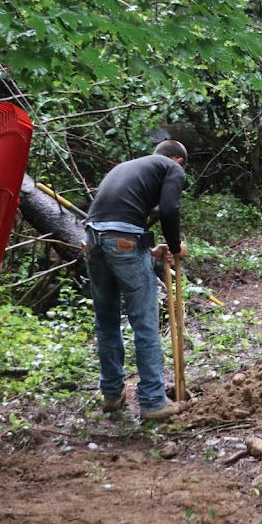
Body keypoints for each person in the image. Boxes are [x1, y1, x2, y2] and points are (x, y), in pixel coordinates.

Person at [84, 139, 190, 420]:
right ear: (178, 161)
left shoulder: (130, 168)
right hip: (122, 240)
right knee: (145, 323)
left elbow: (121, 219)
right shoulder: (173, 167)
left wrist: (152, 250)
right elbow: (168, 209)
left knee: (106, 321)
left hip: (93, 239)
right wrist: (176, 246)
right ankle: (153, 401)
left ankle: (111, 395)